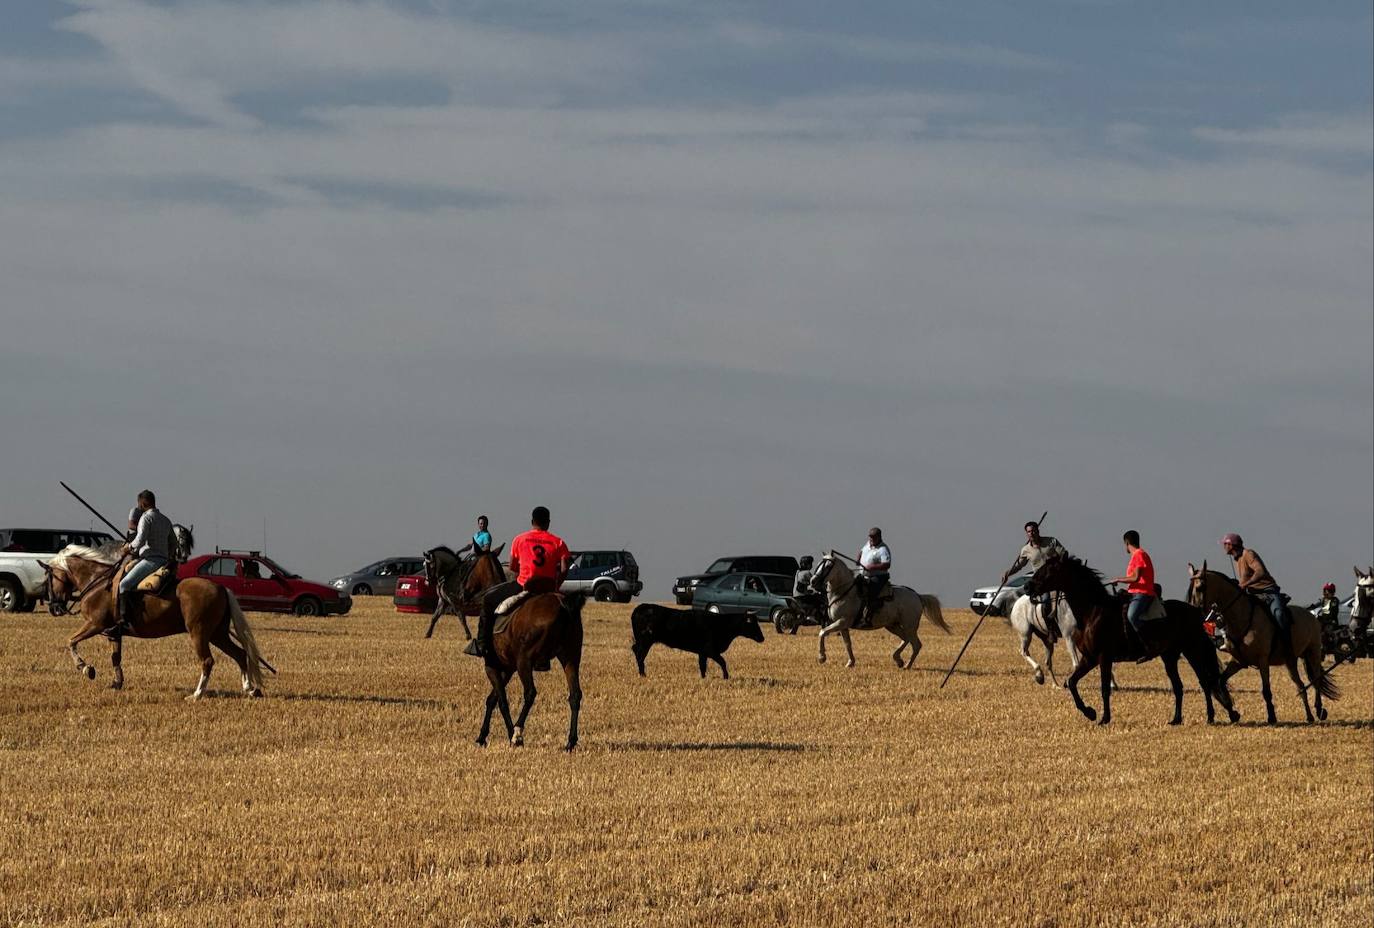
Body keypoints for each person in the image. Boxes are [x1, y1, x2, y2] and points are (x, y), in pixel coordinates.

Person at [468, 506, 570, 660]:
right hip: (548, 588)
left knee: (488, 599)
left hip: (524, 585)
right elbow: (564, 568)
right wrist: (556, 586)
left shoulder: (519, 539)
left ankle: (482, 644)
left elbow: (514, 567)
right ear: (548, 523)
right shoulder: (559, 542)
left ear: (532, 521)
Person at [115, 490, 173, 634]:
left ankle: (124, 621)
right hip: (164, 561)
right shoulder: (166, 520)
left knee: (124, 584)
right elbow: (173, 543)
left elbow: (140, 540)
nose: (138, 506)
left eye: (139, 503)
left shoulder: (146, 518)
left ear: (143, 503)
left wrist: (128, 548)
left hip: (150, 561)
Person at [1220, 533, 1289, 653]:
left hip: (1268, 591)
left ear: (1232, 544)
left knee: (1278, 614)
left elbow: (1260, 571)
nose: (1224, 547)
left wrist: (1245, 584)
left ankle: (1286, 644)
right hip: (1252, 594)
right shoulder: (1237, 559)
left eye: (1225, 544)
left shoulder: (1248, 554)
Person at [1002, 521, 1069, 622]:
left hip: (1056, 576)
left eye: (1033, 531)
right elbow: (1019, 565)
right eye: (1029, 532)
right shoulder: (1025, 550)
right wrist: (1008, 573)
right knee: (1046, 600)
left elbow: (1063, 554)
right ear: (1027, 534)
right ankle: (1050, 628)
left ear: (1038, 531)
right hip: (1041, 580)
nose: (1031, 533)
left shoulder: (1051, 541)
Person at [1110, 530, 1162, 660]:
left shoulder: (1139, 554)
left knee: (1131, 616)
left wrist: (1118, 579)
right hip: (1134, 593)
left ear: (1127, 543)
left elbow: (1135, 578)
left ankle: (1150, 645)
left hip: (1143, 593)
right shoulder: (1136, 556)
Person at [854, 528, 891, 629]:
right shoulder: (868, 544)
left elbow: (887, 564)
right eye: (869, 537)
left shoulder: (883, 549)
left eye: (873, 538)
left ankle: (868, 619)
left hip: (878, 577)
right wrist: (858, 558)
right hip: (864, 575)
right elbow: (862, 551)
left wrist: (872, 567)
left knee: (870, 594)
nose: (870, 539)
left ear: (879, 537)